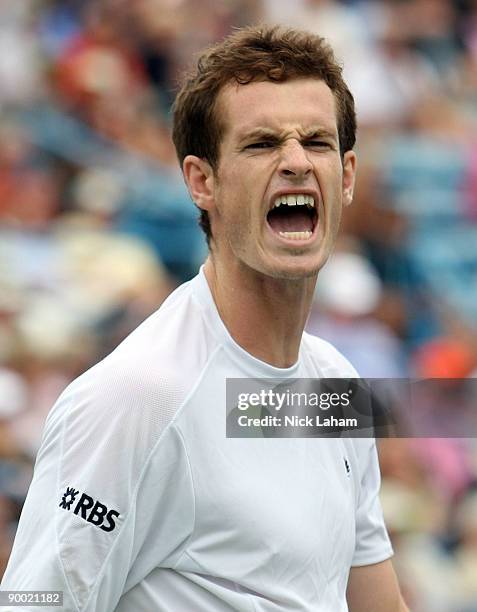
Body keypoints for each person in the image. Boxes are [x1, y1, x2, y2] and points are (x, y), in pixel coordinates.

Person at [2, 25, 408, 611]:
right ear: (202, 182)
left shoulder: (335, 386)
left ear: (346, 176)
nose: (295, 161)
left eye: (316, 142)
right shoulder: (134, 398)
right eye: (262, 143)